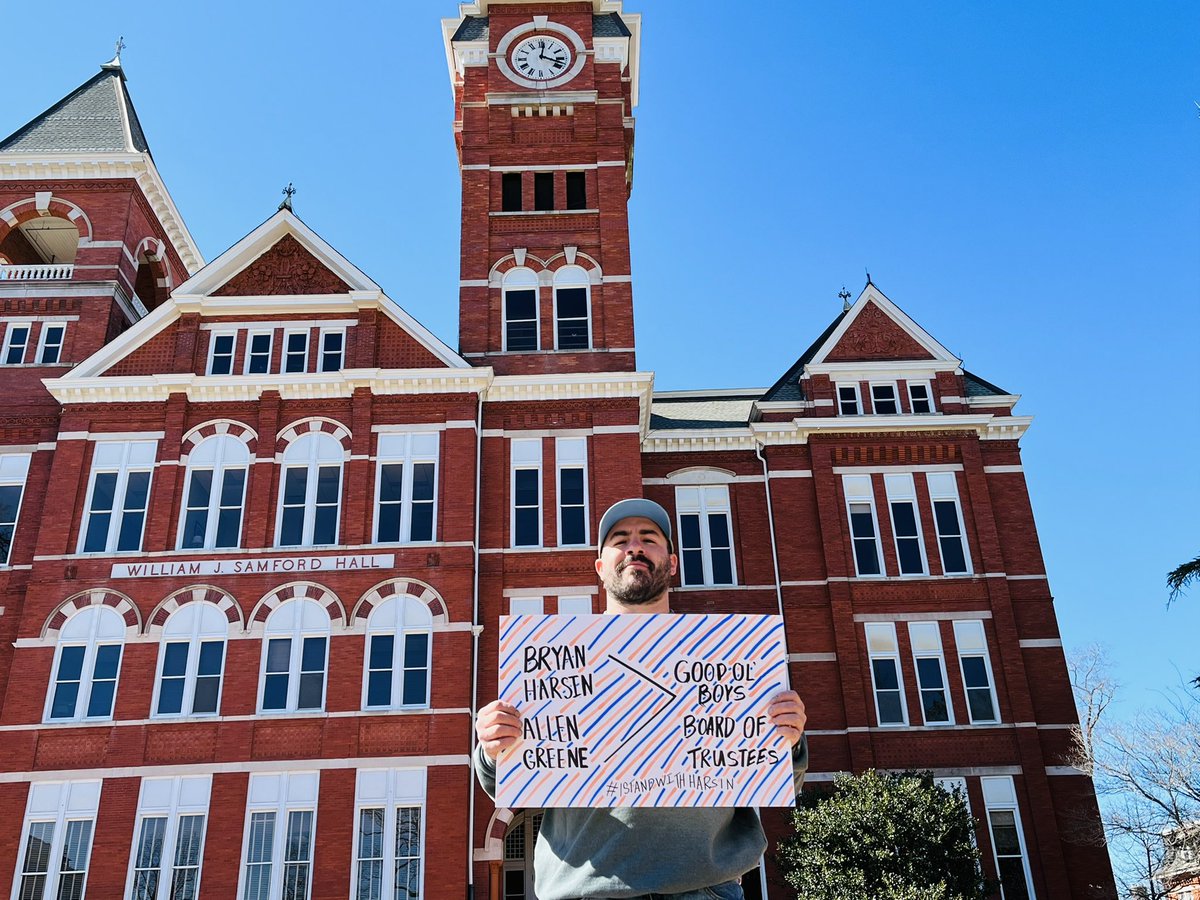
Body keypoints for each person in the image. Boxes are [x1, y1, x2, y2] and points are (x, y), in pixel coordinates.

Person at [474, 498, 808, 900]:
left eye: (648, 539)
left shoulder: (726, 655)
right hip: (585, 890)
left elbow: (776, 776)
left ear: (672, 563)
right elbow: (509, 783)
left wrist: (788, 738)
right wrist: (494, 747)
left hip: (705, 890)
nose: (635, 547)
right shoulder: (555, 660)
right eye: (620, 539)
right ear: (600, 568)